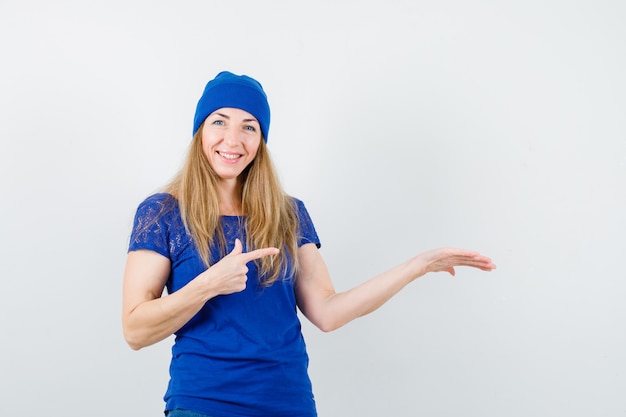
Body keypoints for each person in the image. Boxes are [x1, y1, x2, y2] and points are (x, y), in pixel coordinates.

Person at [122, 71, 496, 417]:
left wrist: (416, 266)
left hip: (289, 403)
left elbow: (328, 312)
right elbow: (136, 331)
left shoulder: (288, 214)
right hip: (203, 403)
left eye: (249, 127)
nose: (232, 140)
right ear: (200, 131)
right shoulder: (162, 213)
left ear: (261, 140)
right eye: (219, 121)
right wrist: (207, 286)